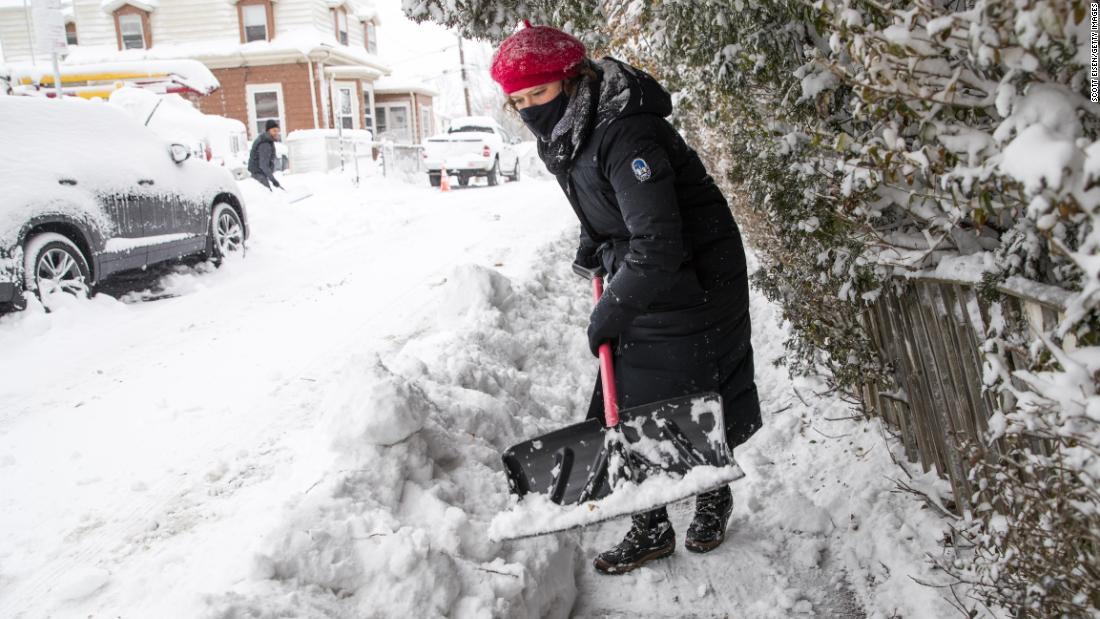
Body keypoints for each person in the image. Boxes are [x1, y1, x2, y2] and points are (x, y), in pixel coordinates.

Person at [490, 24, 762, 574]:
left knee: (691, 388)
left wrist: (611, 309)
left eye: (537, 94)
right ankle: (651, 525)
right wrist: (593, 240)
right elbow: (606, 202)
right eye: (517, 101)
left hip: (698, 273)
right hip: (647, 260)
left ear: (573, 79)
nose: (528, 109)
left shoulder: (626, 132)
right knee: (630, 395)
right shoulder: (572, 129)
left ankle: (711, 493)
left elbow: (660, 241)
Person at [248, 119, 282, 190]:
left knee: (267, 194)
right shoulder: (265, 144)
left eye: (277, 131)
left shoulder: (267, 140)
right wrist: (273, 180)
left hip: (259, 174)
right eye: (274, 131)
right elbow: (263, 165)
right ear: (268, 131)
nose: (276, 133)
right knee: (267, 195)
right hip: (258, 175)